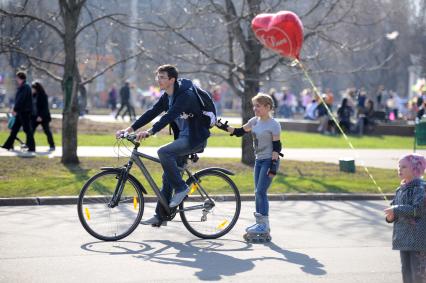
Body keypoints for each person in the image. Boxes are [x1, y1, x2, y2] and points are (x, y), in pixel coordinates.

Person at [115, 64, 210, 226]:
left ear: (172, 80)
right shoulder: (167, 96)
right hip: (182, 138)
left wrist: (151, 132)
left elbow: (169, 116)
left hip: (195, 138)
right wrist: (130, 128)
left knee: (164, 153)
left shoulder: (185, 95)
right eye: (157, 77)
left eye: (162, 77)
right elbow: (152, 112)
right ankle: (161, 216)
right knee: (168, 176)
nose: (158, 80)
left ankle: (181, 189)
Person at [216, 93, 282, 242]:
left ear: (268, 107)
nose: (255, 108)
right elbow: (239, 132)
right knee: (257, 192)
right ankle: (261, 224)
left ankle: (263, 225)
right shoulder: (254, 121)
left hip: (269, 161)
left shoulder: (274, 124)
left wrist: (273, 166)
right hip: (259, 161)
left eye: (258, 106)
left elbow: (277, 146)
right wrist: (222, 126)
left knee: (260, 192)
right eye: (254, 105)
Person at [384, 154, 426, 283]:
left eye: (404, 167)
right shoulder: (400, 189)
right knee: (406, 271)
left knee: (418, 273)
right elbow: (394, 208)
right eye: (399, 166)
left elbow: (418, 209)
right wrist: (390, 217)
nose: (399, 169)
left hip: (418, 239)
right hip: (403, 238)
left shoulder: (420, 188)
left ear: (415, 169)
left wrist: (396, 209)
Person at [2, 71, 35, 152]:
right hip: (21, 112)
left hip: (24, 112)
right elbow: (19, 100)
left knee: (27, 130)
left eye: (17, 78)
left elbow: (21, 100)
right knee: (15, 129)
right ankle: (7, 145)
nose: (16, 79)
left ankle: (32, 147)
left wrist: (15, 109)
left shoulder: (24, 87)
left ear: (21, 78)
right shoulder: (23, 87)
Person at [31, 82, 55, 151]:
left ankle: (52, 145)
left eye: (33, 88)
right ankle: (30, 146)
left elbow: (45, 108)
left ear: (36, 88)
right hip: (34, 117)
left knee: (47, 131)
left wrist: (40, 116)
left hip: (43, 117)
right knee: (30, 131)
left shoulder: (43, 95)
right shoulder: (32, 96)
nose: (32, 90)